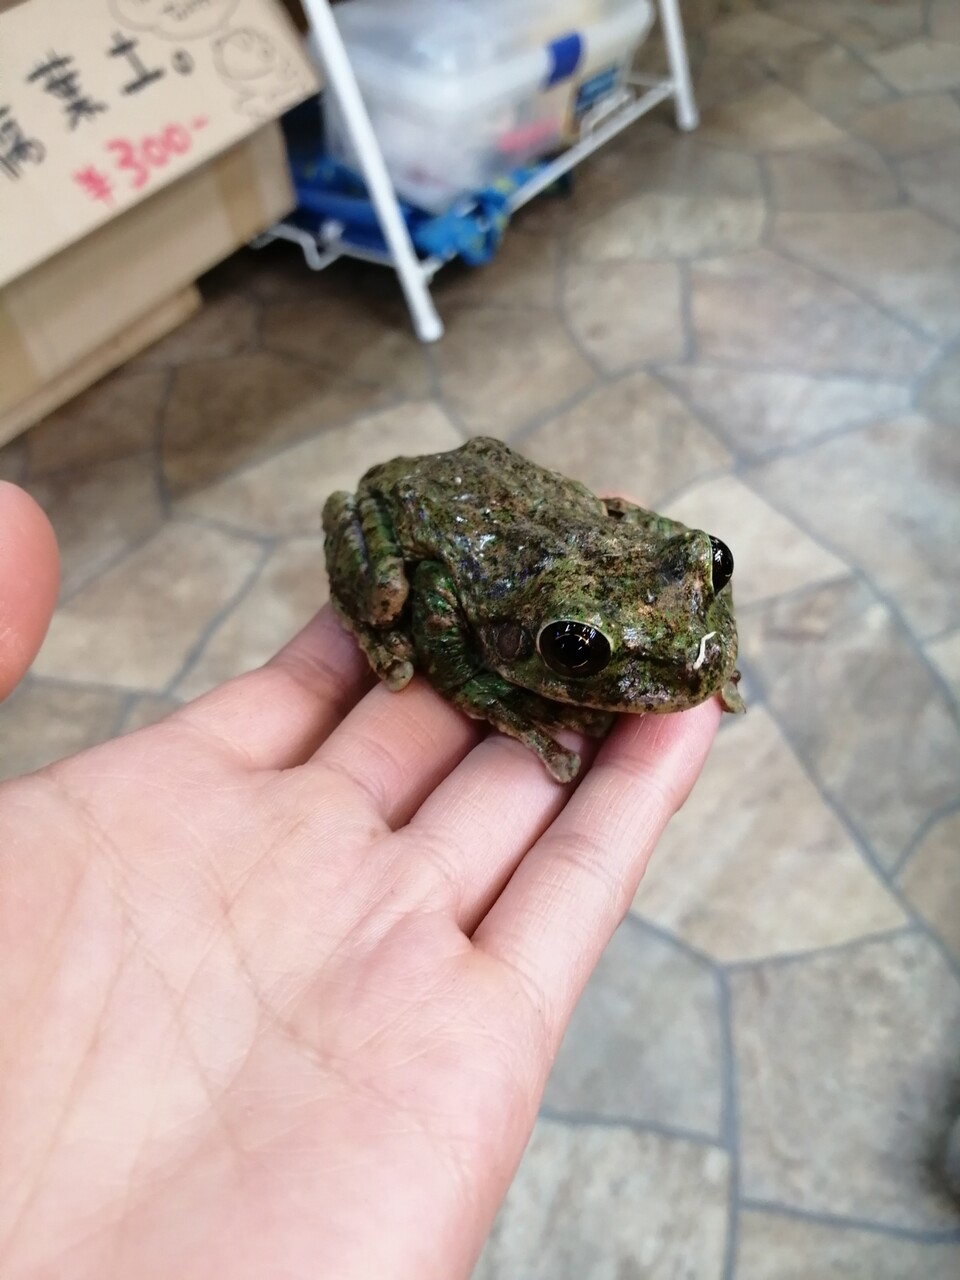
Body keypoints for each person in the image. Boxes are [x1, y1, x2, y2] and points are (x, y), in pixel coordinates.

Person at [0, 479, 720, 1279]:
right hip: (417, 519)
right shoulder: (484, 601)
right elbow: (437, 604)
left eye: (712, 571)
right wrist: (483, 686)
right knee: (389, 596)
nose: (698, 659)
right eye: (578, 648)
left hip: (521, 518)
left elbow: (654, 544)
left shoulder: (655, 592)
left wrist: (695, 629)